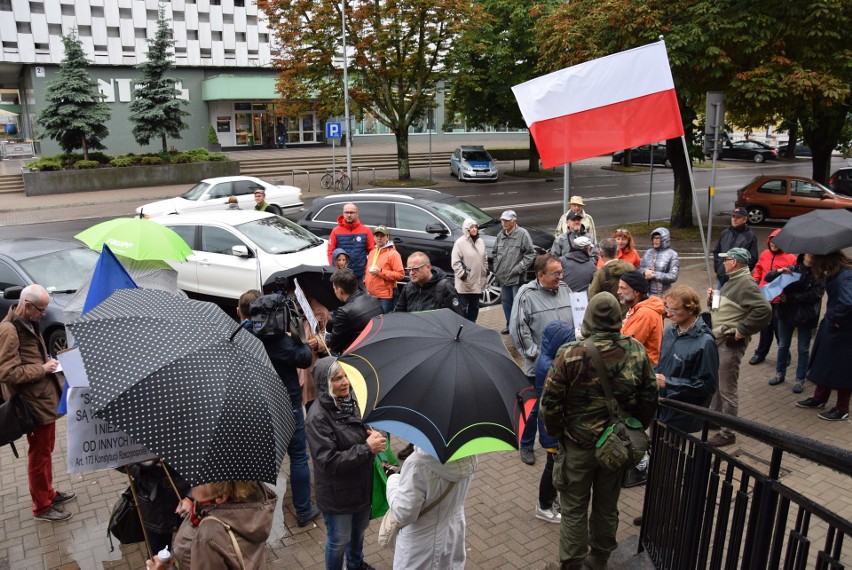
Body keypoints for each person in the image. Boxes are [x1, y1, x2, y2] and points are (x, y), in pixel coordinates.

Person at [539, 292, 658, 570]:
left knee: (573, 509)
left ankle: (572, 565)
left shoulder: (570, 354)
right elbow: (650, 398)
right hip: (616, 447)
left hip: (577, 446)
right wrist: (632, 428)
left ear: (589, 316)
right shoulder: (636, 350)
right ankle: (599, 560)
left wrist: (559, 435)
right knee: (607, 506)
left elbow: (549, 405)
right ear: (617, 317)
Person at [237, 289, 322, 528]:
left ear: (241, 312)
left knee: (255, 461)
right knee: (298, 457)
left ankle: (252, 515)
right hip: (288, 404)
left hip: (257, 407)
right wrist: (297, 337)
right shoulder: (280, 340)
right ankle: (304, 511)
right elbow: (304, 358)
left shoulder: (240, 336)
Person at [0, 284, 75, 522]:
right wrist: (42, 368)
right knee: (39, 455)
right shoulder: (9, 330)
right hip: (32, 405)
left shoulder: (27, 321)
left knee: (46, 450)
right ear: (27, 305)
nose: (44, 314)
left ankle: (49, 493)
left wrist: (50, 360)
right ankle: (41, 506)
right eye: (41, 310)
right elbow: (7, 372)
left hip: (43, 399)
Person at [306, 357, 385, 570]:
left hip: (360, 486)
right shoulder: (317, 418)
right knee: (339, 540)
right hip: (337, 495)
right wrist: (367, 448)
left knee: (358, 532)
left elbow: (362, 428)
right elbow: (328, 462)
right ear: (325, 383)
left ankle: (356, 564)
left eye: (346, 376)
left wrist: (374, 433)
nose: (345, 382)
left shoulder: (353, 401)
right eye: (337, 378)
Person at [510, 253, 574, 465]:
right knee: (534, 407)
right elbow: (519, 330)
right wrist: (537, 357)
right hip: (539, 366)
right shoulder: (526, 294)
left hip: (565, 364)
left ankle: (556, 441)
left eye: (561, 272)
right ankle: (527, 445)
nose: (560, 276)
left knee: (560, 405)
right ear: (540, 275)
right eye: (556, 273)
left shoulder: (565, 289)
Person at [706, 248, 772, 447]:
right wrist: (712, 300)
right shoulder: (733, 280)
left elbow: (765, 310)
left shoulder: (745, 283)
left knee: (727, 389)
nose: (723, 263)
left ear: (734, 262)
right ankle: (716, 417)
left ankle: (728, 432)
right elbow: (720, 310)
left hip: (729, 344)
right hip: (720, 340)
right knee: (718, 383)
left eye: (726, 260)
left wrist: (741, 330)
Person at [146, 480, 278, 569]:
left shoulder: (209, 536)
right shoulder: (254, 496)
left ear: (221, 496)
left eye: (200, 480)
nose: (192, 481)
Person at [385, 447, 477, 569]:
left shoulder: (416, 463)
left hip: (422, 540)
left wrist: (393, 480)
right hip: (454, 531)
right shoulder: (470, 455)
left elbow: (404, 513)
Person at [796, 252, 852, 421]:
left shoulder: (846, 275)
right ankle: (819, 398)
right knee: (824, 362)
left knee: (841, 368)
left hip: (843, 330)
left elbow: (848, 302)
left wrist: (834, 317)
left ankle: (842, 408)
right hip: (835, 327)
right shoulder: (838, 272)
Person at [656, 285, 719, 433]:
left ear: (690, 310)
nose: (668, 314)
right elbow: (663, 364)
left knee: (671, 453)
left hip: (682, 416)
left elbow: (707, 386)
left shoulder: (705, 343)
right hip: (662, 407)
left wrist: (668, 383)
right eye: (667, 308)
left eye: (674, 310)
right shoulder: (670, 331)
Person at [534, 320, 575, 524]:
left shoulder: (548, 358)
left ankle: (550, 501)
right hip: (552, 428)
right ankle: (544, 505)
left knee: (554, 465)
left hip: (551, 425)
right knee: (552, 467)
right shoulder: (552, 365)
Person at [765, 254, 824, 393]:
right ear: (803, 256)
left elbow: (815, 295)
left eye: (813, 254)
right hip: (786, 314)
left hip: (806, 317)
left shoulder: (819, 275)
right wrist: (779, 272)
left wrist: (790, 297)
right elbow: (768, 278)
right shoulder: (791, 269)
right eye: (808, 254)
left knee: (803, 349)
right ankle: (780, 374)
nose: (810, 256)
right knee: (783, 345)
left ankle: (800, 380)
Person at [748, 229, 796, 366]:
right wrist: (755, 281)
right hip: (764, 298)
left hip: (780, 300)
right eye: (772, 240)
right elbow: (758, 269)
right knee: (764, 328)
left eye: (777, 241)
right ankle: (760, 353)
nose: (774, 244)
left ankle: (785, 354)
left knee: (780, 330)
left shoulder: (790, 258)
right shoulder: (765, 254)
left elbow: (792, 279)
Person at [122, 460, 190, 555]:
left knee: (191, 552)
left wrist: (191, 496)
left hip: (184, 497)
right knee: (158, 555)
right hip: (153, 506)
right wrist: (142, 465)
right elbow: (116, 457)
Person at [492, 209, 536, 334]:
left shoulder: (522, 234)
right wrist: (496, 267)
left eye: (507, 220)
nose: (504, 223)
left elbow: (530, 254)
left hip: (516, 277)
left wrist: (519, 269)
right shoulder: (500, 235)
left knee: (518, 304)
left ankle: (519, 327)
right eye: (502, 220)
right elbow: (495, 253)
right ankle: (509, 325)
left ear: (514, 221)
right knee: (506, 303)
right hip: (503, 277)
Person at [328, 269, 382, 355]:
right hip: (376, 345)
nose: (334, 291)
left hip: (358, 353)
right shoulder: (374, 299)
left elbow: (334, 346)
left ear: (340, 290)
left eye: (334, 288)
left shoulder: (344, 311)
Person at [618, 270, 665, 366]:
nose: (618, 292)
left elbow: (626, 346)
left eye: (623, 288)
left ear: (636, 292)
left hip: (642, 368)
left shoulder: (644, 314)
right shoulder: (638, 308)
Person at [395, 252, 463, 315]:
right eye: (409, 269)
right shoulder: (408, 288)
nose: (411, 273)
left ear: (428, 267)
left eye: (415, 269)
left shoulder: (444, 288)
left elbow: (457, 318)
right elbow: (398, 314)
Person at [451, 218, 488, 322]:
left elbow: (484, 257)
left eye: (475, 227)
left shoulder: (480, 241)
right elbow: (455, 262)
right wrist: (463, 274)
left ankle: (472, 325)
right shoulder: (459, 243)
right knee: (462, 308)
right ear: (466, 229)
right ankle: (463, 328)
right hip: (465, 283)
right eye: (471, 227)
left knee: (474, 307)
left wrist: (485, 270)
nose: (474, 229)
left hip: (477, 282)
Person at [327, 203, 375, 281]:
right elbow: (330, 252)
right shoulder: (335, 231)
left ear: (357, 214)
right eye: (346, 212)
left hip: (361, 274)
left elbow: (372, 252)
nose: (349, 215)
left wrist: (368, 270)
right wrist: (335, 270)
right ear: (343, 214)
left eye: (352, 212)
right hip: (343, 275)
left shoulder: (366, 230)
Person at [588, 238, 634, 318]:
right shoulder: (630, 267)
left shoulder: (600, 273)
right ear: (617, 251)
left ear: (601, 253)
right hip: (629, 316)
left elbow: (592, 299)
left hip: (609, 319)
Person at [713, 207, 759, 287]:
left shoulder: (750, 236)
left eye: (738, 217)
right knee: (718, 299)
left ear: (744, 219)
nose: (734, 219)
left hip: (737, 280)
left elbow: (753, 258)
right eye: (733, 216)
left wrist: (740, 273)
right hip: (722, 277)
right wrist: (718, 269)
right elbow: (717, 252)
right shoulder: (725, 233)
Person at [363, 225, 404, 314]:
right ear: (373, 237)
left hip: (385, 297)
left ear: (387, 237)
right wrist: (366, 282)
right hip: (371, 295)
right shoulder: (372, 252)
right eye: (377, 236)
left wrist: (380, 272)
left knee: (384, 322)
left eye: (382, 236)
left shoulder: (393, 254)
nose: (379, 238)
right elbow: (368, 270)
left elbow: (400, 275)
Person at [639, 227, 679, 297]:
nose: (655, 240)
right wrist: (644, 271)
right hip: (646, 294)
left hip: (663, 295)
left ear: (664, 239)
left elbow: (673, 276)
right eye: (654, 238)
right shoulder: (648, 252)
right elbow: (639, 269)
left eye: (658, 238)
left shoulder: (672, 254)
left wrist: (654, 275)